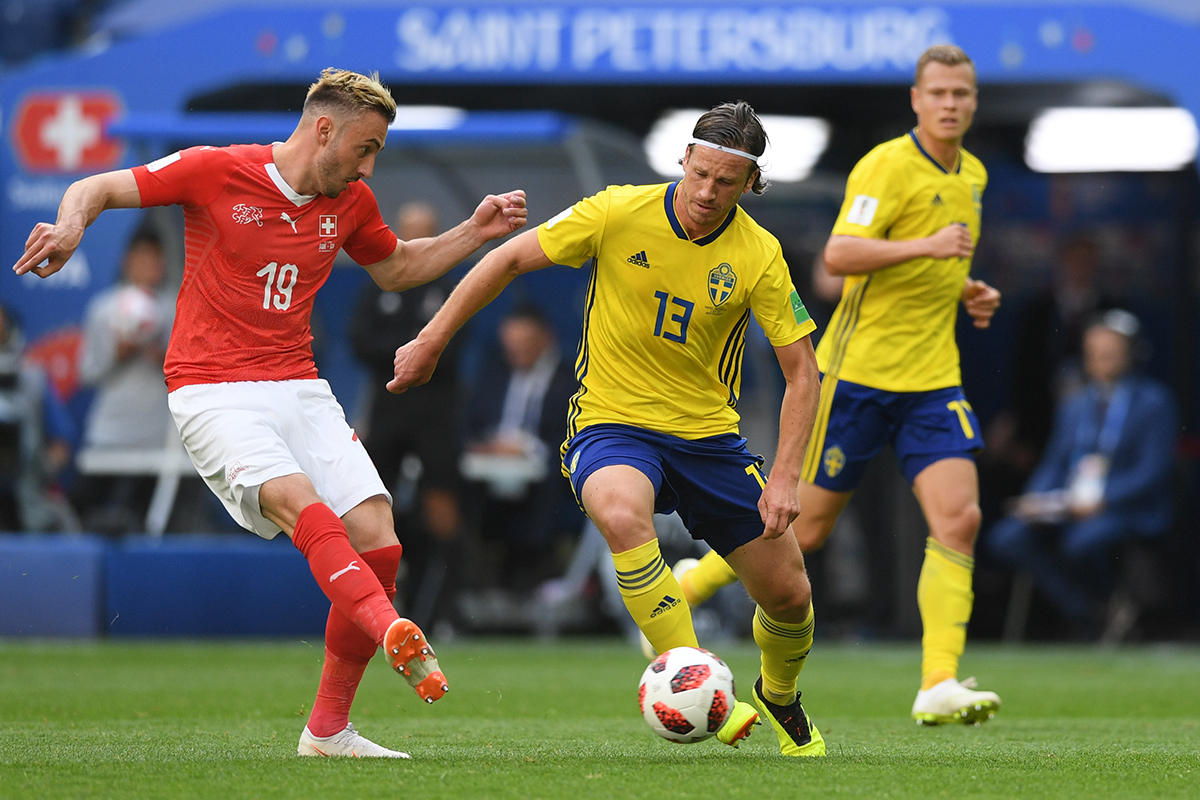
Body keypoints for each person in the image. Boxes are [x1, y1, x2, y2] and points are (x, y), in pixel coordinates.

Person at [14, 67, 527, 758]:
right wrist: (72, 227)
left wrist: (474, 231)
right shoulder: (216, 171)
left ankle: (327, 731)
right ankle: (391, 629)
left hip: (297, 384)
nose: (369, 164)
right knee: (297, 501)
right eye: (365, 147)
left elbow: (397, 267)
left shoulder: (350, 200)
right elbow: (99, 186)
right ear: (324, 130)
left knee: (380, 537)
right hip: (211, 388)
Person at [390, 101, 826, 757]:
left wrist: (786, 477)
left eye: (726, 182)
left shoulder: (759, 256)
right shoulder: (617, 211)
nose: (708, 192)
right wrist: (430, 339)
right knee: (623, 516)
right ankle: (696, 678)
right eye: (701, 173)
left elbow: (803, 374)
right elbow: (506, 260)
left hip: (708, 440)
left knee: (790, 597)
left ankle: (781, 695)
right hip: (611, 423)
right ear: (683, 159)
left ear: (748, 185)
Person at [675, 45, 1004, 726]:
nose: (950, 104)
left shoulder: (972, 172)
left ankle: (938, 682)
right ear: (916, 99)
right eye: (938, 92)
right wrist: (929, 248)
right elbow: (841, 254)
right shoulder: (886, 164)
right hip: (858, 376)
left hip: (933, 379)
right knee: (810, 528)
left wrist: (964, 288)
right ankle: (696, 580)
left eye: (962, 94)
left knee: (961, 518)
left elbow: (932, 263)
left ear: (973, 102)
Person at [987, 310, 1177, 633]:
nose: (1101, 360)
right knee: (1008, 537)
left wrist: (1104, 498)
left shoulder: (1154, 402)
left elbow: (1152, 469)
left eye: (1109, 352)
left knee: (1083, 542)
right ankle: (1085, 609)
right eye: (1094, 353)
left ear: (1130, 353)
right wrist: (1035, 499)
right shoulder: (1074, 404)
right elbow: (1055, 462)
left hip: (1122, 507)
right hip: (1070, 504)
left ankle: (1111, 605)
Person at [349, 202, 466, 629]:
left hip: (435, 412)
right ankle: (374, 607)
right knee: (376, 505)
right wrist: (410, 352)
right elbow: (360, 341)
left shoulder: (451, 287)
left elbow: (453, 346)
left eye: (426, 233)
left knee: (443, 510)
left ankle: (446, 611)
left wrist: (412, 351)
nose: (417, 242)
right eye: (409, 233)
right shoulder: (379, 285)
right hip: (388, 410)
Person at [461, 303, 578, 593]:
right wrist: (489, 445)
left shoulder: (571, 379)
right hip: (491, 469)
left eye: (525, 346)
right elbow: (471, 421)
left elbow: (569, 435)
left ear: (546, 339)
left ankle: (533, 574)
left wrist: (526, 448)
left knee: (549, 487)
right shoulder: (494, 372)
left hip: (548, 474)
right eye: (511, 347)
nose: (516, 355)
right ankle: (472, 577)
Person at [72, 228, 176, 534]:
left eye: (153, 259)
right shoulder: (104, 309)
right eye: (140, 259)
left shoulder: (176, 309)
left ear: (162, 263)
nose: (146, 266)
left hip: (158, 436)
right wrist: (119, 354)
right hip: (110, 433)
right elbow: (87, 373)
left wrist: (160, 355)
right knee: (86, 509)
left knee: (148, 522)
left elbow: (191, 375)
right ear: (126, 262)